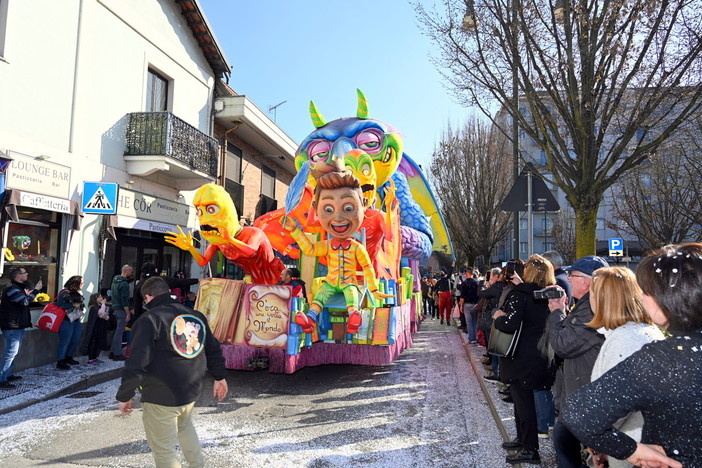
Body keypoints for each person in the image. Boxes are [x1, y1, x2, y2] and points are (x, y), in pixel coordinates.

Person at [562, 243, 702, 468]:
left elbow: (580, 413)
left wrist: (630, 450)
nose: (642, 299)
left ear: (668, 298)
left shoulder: (663, 359)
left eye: (646, 291)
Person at [116, 276, 228, 468]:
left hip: (160, 394)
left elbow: (137, 362)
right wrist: (220, 377)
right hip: (190, 390)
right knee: (185, 427)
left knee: (164, 450)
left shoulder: (149, 319)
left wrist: (125, 395)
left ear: (148, 298)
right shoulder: (196, 316)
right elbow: (212, 348)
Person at [283, 171, 388, 334]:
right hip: (331, 282)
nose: (338, 218)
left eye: (348, 208)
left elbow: (367, 268)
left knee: (352, 293)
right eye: (329, 209)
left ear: (363, 205)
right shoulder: (327, 245)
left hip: (349, 282)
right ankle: (310, 319)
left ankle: (354, 316)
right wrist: (295, 231)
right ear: (316, 210)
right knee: (320, 294)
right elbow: (309, 249)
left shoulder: (356, 247)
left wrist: (374, 289)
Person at [581, 266, 664, 468]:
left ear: (602, 299)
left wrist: (598, 440)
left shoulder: (625, 339)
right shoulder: (642, 332)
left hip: (633, 447)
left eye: (591, 293)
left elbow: (614, 405)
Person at [492, 255, 557, 464]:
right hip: (542, 354)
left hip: (522, 356)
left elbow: (509, 325)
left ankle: (530, 448)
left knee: (524, 404)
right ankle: (522, 440)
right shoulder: (552, 294)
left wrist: (499, 316)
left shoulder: (521, 295)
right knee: (522, 401)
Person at [546, 255, 609, 468]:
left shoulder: (594, 308)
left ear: (588, 281)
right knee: (564, 440)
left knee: (569, 444)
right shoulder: (587, 304)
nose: (568, 279)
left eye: (573, 276)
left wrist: (556, 312)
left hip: (587, 395)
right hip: (580, 393)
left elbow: (563, 344)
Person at [0, 267, 42, 388]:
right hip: (12, 325)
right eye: (25, 273)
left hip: (17, 324)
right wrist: (36, 291)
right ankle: (1, 379)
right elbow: (24, 302)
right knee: (10, 352)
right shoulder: (12, 289)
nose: (27, 274)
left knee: (13, 352)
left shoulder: (17, 287)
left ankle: (8, 374)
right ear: (18, 275)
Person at [55, 275, 86, 370]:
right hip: (65, 320)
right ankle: (60, 361)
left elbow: (81, 305)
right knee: (65, 341)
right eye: (81, 283)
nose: (83, 284)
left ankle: (69, 357)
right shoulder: (64, 292)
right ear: (75, 283)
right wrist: (72, 304)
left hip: (75, 319)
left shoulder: (78, 292)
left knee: (76, 339)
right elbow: (59, 304)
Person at [110, 264, 133, 361]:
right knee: (119, 332)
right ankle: (117, 354)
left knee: (117, 332)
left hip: (115, 308)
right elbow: (124, 299)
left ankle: (113, 352)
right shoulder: (124, 284)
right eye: (131, 272)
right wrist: (128, 313)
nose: (131, 273)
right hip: (121, 310)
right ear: (127, 271)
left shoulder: (115, 281)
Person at [80, 292, 111, 365]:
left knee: (97, 343)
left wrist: (106, 317)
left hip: (100, 327)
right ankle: (91, 358)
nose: (101, 298)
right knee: (93, 343)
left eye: (101, 297)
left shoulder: (99, 306)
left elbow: (104, 314)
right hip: (94, 328)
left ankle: (94, 357)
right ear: (95, 299)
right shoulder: (93, 307)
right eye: (99, 297)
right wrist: (103, 304)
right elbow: (100, 312)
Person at [460, 267, 480, 342]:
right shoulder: (476, 282)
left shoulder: (464, 283)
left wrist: (461, 306)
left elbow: (462, 296)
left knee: (469, 322)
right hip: (475, 304)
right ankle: (475, 337)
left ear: (467, 273)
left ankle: (471, 338)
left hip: (467, 304)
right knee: (474, 322)